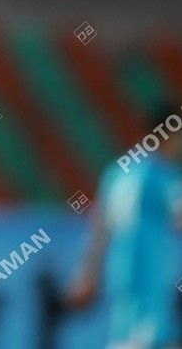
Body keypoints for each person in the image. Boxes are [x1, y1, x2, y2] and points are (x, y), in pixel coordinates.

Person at [67, 102, 182, 348]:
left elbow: (100, 228)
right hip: (151, 271)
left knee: (125, 336)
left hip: (121, 270)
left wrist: (87, 274)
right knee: (152, 338)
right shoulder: (161, 175)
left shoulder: (118, 173)